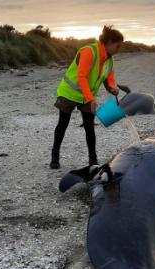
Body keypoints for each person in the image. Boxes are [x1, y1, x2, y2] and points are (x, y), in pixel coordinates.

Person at [50, 25, 124, 169]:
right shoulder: (89, 51)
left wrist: (112, 88)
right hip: (69, 93)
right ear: (108, 42)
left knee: (89, 126)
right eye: (117, 46)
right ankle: (55, 157)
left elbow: (108, 79)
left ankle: (93, 160)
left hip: (87, 96)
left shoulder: (110, 60)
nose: (118, 50)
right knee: (62, 124)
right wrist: (91, 99)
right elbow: (82, 76)